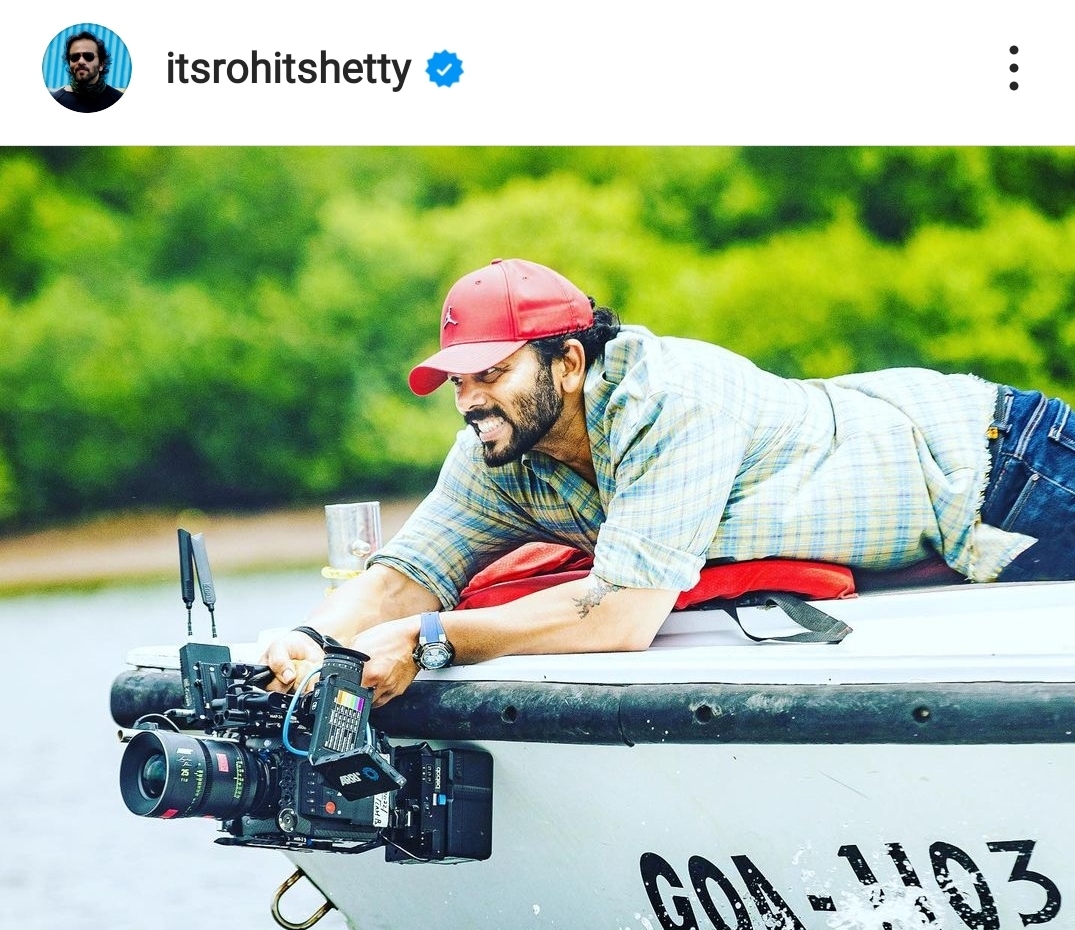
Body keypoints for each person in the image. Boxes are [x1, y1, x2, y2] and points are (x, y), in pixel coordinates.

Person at [263, 257, 1075, 705]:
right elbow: (409, 573)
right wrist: (309, 641)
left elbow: (619, 616)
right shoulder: (499, 447)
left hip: (1003, 465)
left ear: (569, 363)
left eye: (491, 374)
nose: (469, 400)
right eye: (456, 381)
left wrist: (425, 640)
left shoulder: (670, 400)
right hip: (944, 490)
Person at [50, 31, 124, 112]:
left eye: (88, 56)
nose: (81, 61)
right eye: (75, 57)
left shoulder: (118, 100)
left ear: (101, 64)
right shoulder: (56, 101)